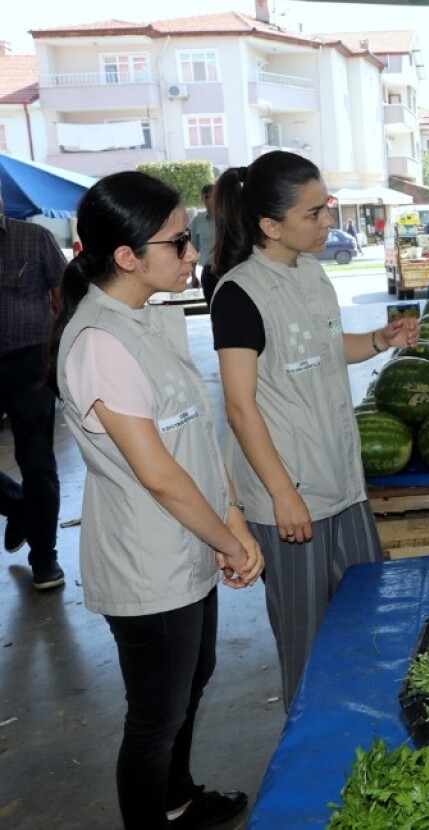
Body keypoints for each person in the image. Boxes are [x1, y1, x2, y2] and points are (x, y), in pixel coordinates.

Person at [46, 171, 265, 829]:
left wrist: (228, 516)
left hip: (187, 543)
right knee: (155, 717)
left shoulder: (144, 320)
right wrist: (231, 540)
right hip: (148, 562)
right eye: (178, 242)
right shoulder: (98, 343)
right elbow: (160, 475)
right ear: (126, 256)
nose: (193, 253)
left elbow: (195, 432)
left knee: (189, 686)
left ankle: (178, 800)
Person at [209, 150, 419, 707]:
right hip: (292, 498)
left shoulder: (313, 272)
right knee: (308, 648)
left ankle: (368, 736)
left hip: (342, 485)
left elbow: (324, 351)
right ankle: (312, 761)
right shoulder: (239, 293)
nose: (329, 221)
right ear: (270, 226)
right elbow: (239, 405)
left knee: (368, 623)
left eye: (326, 207)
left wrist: (379, 340)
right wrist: (282, 496)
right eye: (314, 214)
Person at [0, 186, 65, 590]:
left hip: (29, 361)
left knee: (37, 461)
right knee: (32, 481)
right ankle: (19, 505)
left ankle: (44, 557)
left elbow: (64, 295)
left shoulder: (33, 237)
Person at [189, 183, 217, 302]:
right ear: (202, 199)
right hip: (209, 271)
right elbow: (193, 249)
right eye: (205, 197)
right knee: (212, 308)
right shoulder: (197, 221)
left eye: (211, 196)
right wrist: (193, 275)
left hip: (230, 270)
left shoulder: (228, 218)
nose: (208, 200)